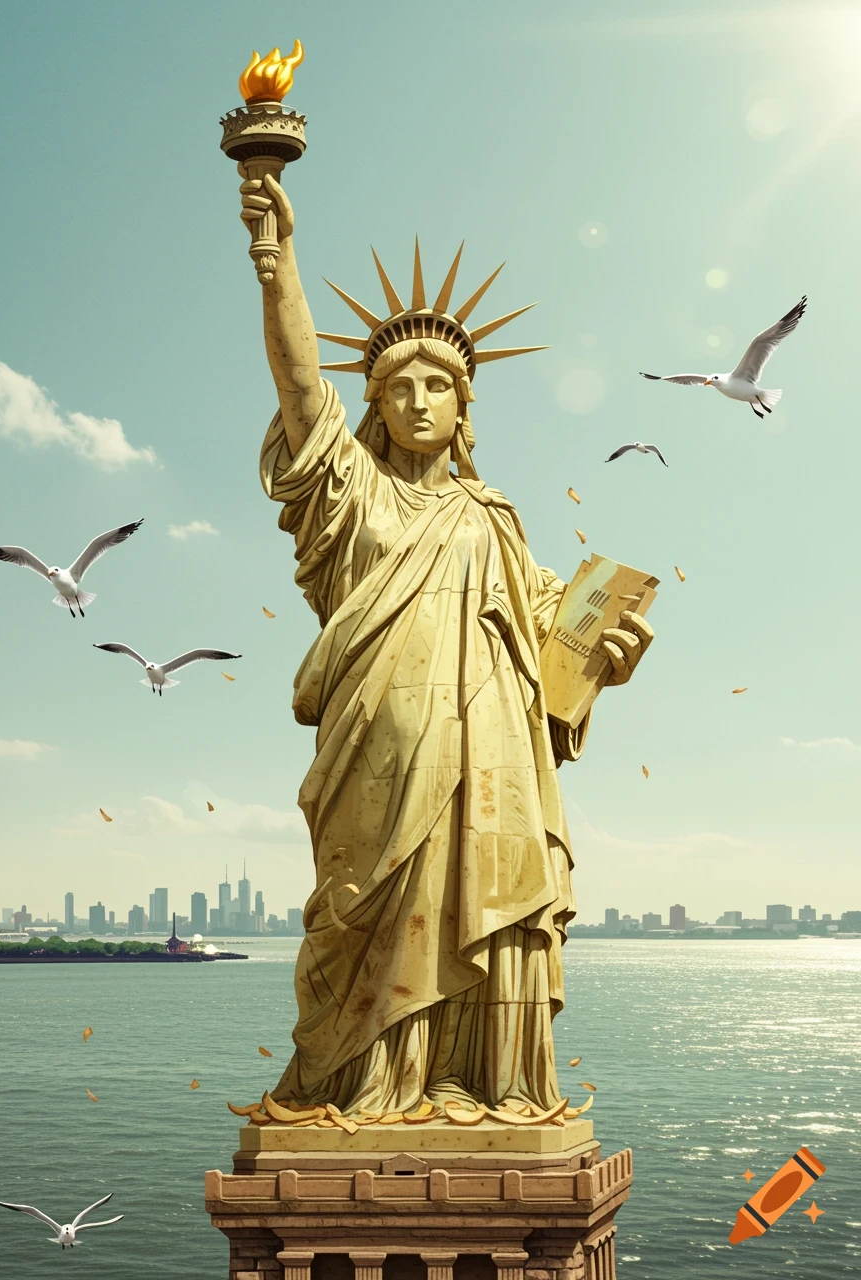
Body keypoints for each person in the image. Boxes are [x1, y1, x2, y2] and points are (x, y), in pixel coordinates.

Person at [241, 172, 654, 1119]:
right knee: (365, 916)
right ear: (374, 409)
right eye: (397, 387)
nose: (419, 399)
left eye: (440, 385)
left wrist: (612, 645)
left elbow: (561, 633)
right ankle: (364, 1083)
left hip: (495, 761)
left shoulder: (496, 519)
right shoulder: (351, 500)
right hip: (381, 757)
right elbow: (303, 385)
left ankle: (490, 1085)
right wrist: (276, 261)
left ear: (464, 409)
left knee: (498, 912)